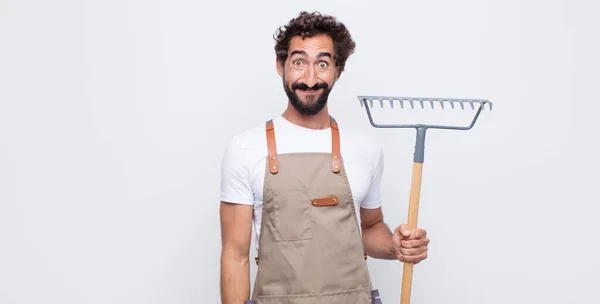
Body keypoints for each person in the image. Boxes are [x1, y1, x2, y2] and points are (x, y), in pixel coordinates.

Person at [219, 11, 430, 304]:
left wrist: (395, 246)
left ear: (338, 70)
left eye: (322, 63)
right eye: (298, 62)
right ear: (281, 66)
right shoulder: (245, 148)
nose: (309, 78)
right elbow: (235, 255)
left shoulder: (365, 148)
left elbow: (368, 228)